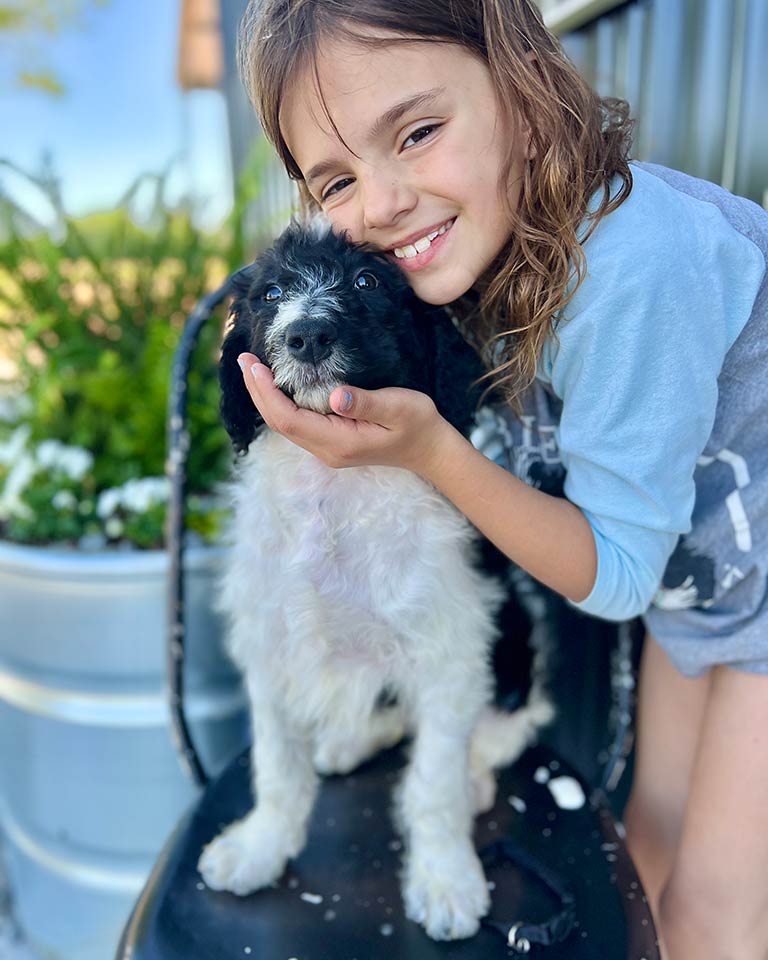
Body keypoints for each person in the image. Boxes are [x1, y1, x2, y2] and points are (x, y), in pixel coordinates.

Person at [233, 1, 768, 957]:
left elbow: (614, 574)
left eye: (419, 131)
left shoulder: (635, 266)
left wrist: (431, 450)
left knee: (709, 918)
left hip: (706, 579)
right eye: (339, 178)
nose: (384, 200)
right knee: (637, 862)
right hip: (710, 581)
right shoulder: (472, 259)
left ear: (519, 84)